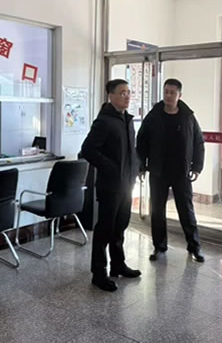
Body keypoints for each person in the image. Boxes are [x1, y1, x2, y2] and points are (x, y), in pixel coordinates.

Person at [136, 78, 205, 262]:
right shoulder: (153, 116)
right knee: (157, 211)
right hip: (158, 171)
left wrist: (197, 167)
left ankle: (194, 247)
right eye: (166, 92)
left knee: (186, 211)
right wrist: (141, 167)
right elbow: (141, 142)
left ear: (179, 95)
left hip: (181, 172)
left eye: (172, 93)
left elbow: (198, 142)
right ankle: (159, 247)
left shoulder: (188, 117)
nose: (168, 95)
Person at [81, 79, 141, 292]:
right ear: (111, 96)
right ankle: (99, 273)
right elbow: (88, 150)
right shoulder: (104, 121)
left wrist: (136, 169)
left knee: (120, 226)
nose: (127, 96)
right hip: (110, 185)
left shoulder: (127, 120)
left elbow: (131, 151)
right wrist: (111, 168)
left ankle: (118, 264)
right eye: (122, 93)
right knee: (105, 229)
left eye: (128, 92)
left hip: (126, 183)